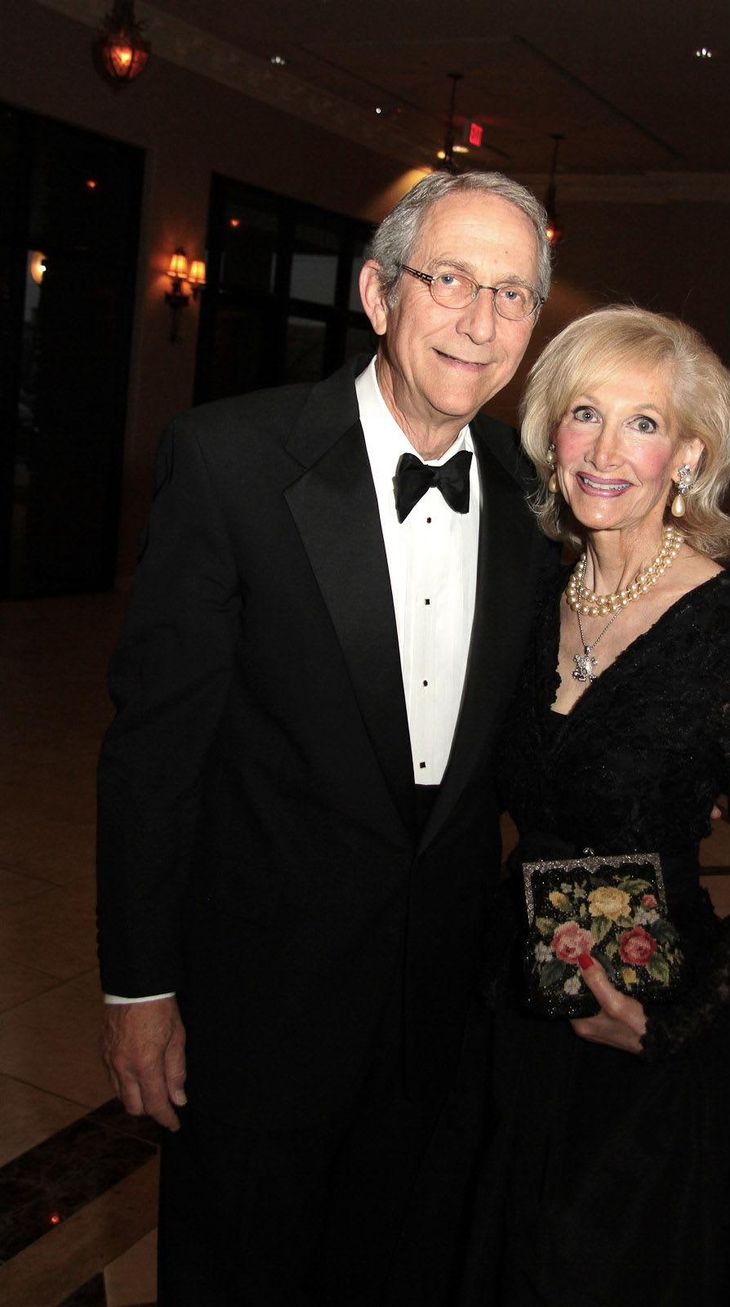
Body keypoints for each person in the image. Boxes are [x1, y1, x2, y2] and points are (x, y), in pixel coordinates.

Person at [96, 170, 556, 1306]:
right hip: (257, 1006)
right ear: (378, 293)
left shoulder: (537, 498)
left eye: (511, 293)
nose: (479, 321)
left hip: (437, 1010)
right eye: (450, 280)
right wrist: (140, 988)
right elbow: (154, 755)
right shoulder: (230, 460)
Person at [463, 306, 730, 1306]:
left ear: (689, 454)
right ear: (551, 435)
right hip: (512, 1001)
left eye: (644, 423)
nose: (605, 451)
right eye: (584, 413)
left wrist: (673, 1023)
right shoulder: (531, 595)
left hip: (649, 1027)